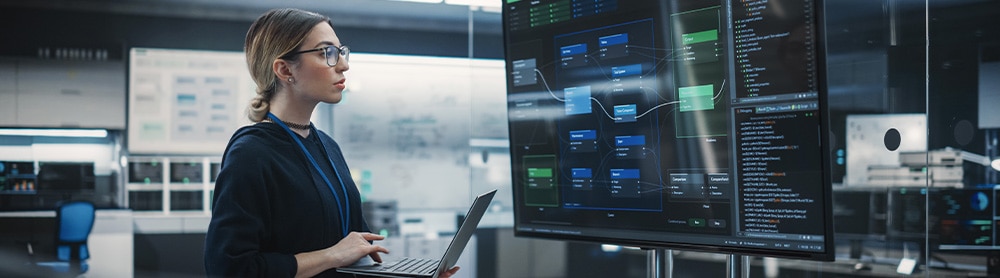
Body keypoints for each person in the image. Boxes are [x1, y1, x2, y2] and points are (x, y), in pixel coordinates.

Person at [204, 8, 459, 278]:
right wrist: (331, 256)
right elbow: (229, 269)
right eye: (326, 53)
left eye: (341, 52)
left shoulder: (327, 146)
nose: (343, 65)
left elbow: (355, 258)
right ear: (284, 69)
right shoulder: (251, 153)